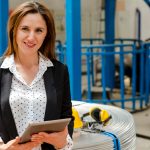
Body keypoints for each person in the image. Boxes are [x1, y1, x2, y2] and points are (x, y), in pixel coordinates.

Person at [0, 1, 74, 150]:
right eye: (25, 29)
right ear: (14, 30)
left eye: (39, 30)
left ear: (46, 34)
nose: (31, 37)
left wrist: (62, 142)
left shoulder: (60, 71)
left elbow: (67, 124)